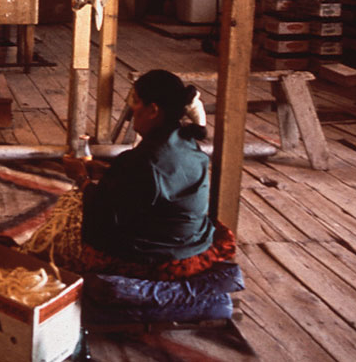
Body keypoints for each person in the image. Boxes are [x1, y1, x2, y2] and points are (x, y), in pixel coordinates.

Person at [17, 69, 235, 280]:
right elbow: (152, 188)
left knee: (72, 212)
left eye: (136, 101)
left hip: (162, 259)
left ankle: (27, 256)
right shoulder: (187, 143)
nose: (132, 108)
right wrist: (107, 171)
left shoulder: (145, 160)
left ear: (153, 110)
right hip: (192, 245)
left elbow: (105, 213)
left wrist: (81, 178)